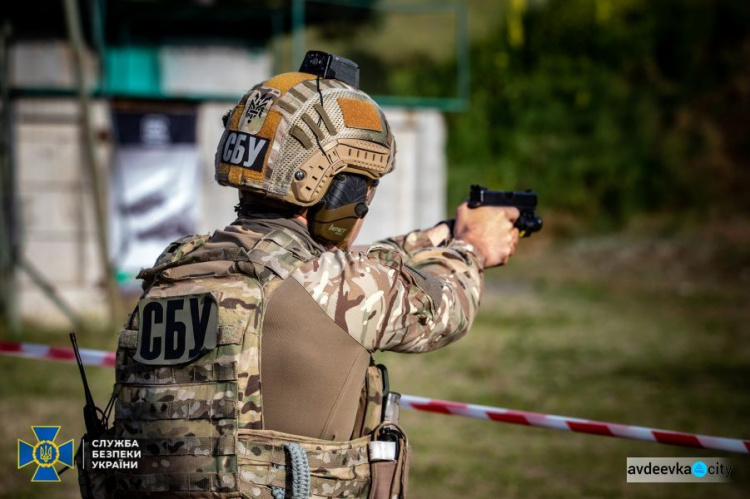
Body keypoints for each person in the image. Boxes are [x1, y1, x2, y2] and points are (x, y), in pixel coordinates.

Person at [92, 54, 519, 499]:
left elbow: (329, 273)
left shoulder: (179, 267)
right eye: (363, 188)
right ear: (338, 191)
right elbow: (447, 307)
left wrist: (434, 237)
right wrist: (473, 247)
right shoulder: (330, 281)